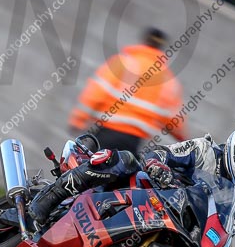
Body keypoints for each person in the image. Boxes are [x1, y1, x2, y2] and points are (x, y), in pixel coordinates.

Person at [29, 124, 235, 247]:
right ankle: (50, 197)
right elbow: (162, 153)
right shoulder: (204, 150)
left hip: (177, 227)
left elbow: (224, 231)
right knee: (124, 160)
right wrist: (157, 164)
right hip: (150, 192)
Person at [68, 27, 187, 155]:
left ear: (144, 41)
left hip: (106, 132)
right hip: (132, 142)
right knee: (121, 173)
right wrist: (184, 141)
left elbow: (96, 93)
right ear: (161, 47)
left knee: (87, 170)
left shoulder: (122, 63)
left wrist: (78, 120)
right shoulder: (167, 78)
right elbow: (174, 118)